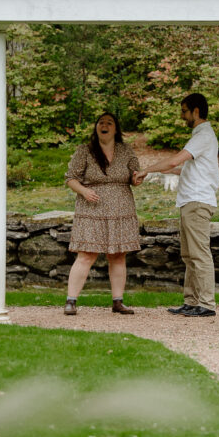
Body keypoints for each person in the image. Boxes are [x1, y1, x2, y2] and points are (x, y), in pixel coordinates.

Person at [135, 93, 219, 318]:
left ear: (196, 112)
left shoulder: (203, 135)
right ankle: (192, 302)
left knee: (199, 254)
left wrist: (147, 169)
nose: (182, 116)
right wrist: (160, 170)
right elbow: (183, 168)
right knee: (189, 254)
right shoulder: (199, 137)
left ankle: (207, 304)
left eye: (184, 111)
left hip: (198, 202)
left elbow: (175, 160)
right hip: (190, 201)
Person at [63, 112, 142, 316]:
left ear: (116, 129)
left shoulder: (126, 151)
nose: (104, 125)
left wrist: (137, 179)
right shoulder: (85, 151)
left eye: (109, 123)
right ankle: (71, 301)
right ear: (96, 127)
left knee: (117, 255)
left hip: (120, 209)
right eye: (101, 122)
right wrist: (84, 191)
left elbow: (134, 176)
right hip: (91, 209)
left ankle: (118, 302)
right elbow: (71, 178)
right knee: (86, 255)